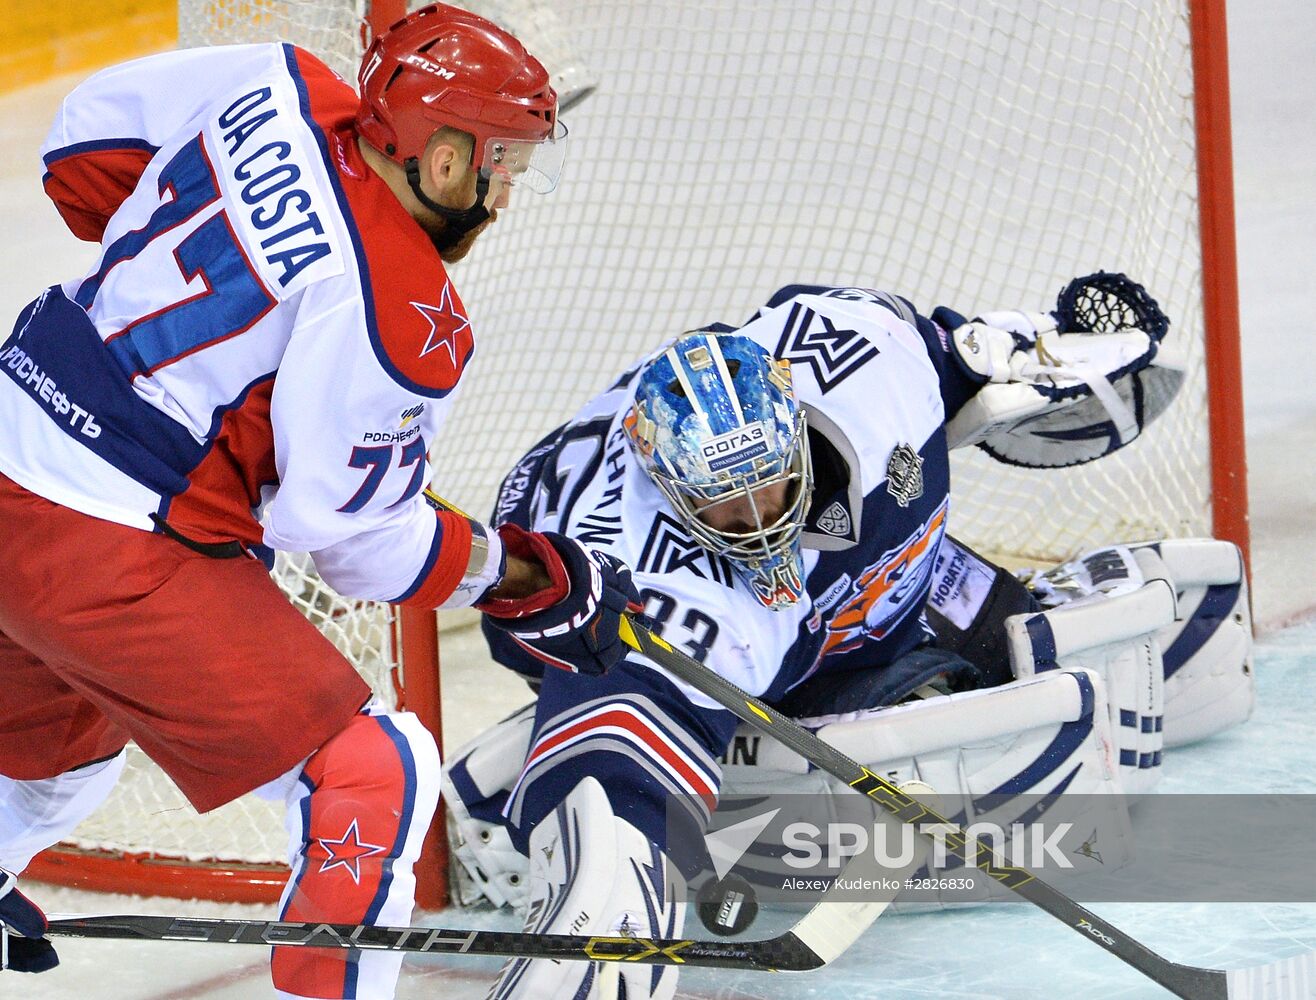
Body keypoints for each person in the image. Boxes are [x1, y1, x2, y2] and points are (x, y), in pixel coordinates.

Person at [0, 5, 640, 998]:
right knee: (373, 770)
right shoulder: (401, 308)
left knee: (51, 751)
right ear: (439, 158)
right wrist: (518, 574)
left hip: (14, 421)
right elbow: (345, 541)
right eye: (501, 164)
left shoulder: (283, 81)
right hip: (105, 537)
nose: (505, 192)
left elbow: (79, 158)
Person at [443, 276, 1253, 999]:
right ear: (669, 488)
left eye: (772, 484)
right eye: (726, 508)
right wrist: (610, 889)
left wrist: (1053, 344)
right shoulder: (669, 593)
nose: (759, 522)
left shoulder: (871, 356)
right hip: (617, 622)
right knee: (941, 725)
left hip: (891, 586)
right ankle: (507, 796)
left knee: (1166, 620)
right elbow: (616, 764)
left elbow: (972, 355)